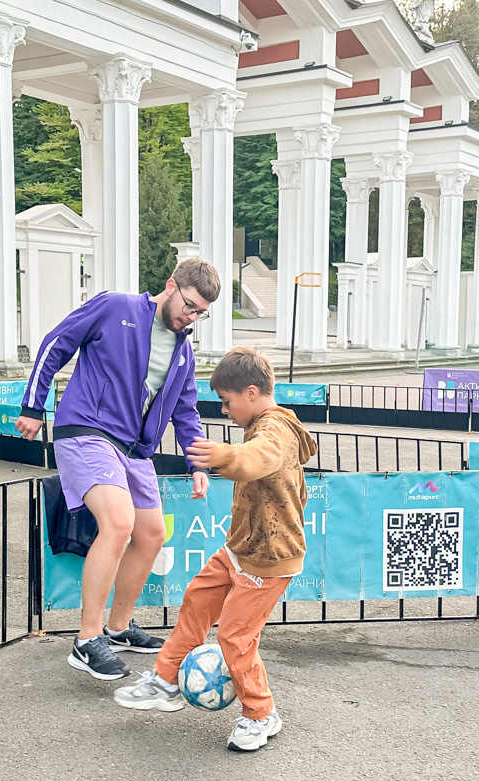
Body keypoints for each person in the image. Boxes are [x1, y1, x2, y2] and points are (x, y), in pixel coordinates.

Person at [16, 259, 220, 681]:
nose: (191, 316)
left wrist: (197, 463)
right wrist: (33, 406)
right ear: (171, 286)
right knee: (119, 521)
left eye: (200, 313)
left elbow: (186, 412)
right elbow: (56, 343)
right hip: (86, 429)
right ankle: (87, 640)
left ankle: (118, 628)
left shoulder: (183, 352)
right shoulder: (115, 307)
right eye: (189, 305)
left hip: (133, 448)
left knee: (152, 533)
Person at [112, 347, 318, 752]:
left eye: (226, 401)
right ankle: (166, 680)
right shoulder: (261, 423)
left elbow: (260, 458)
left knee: (236, 637)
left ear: (251, 393)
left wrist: (225, 455)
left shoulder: (274, 429)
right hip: (241, 548)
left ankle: (260, 714)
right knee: (197, 599)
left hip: (269, 559)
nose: (224, 410)